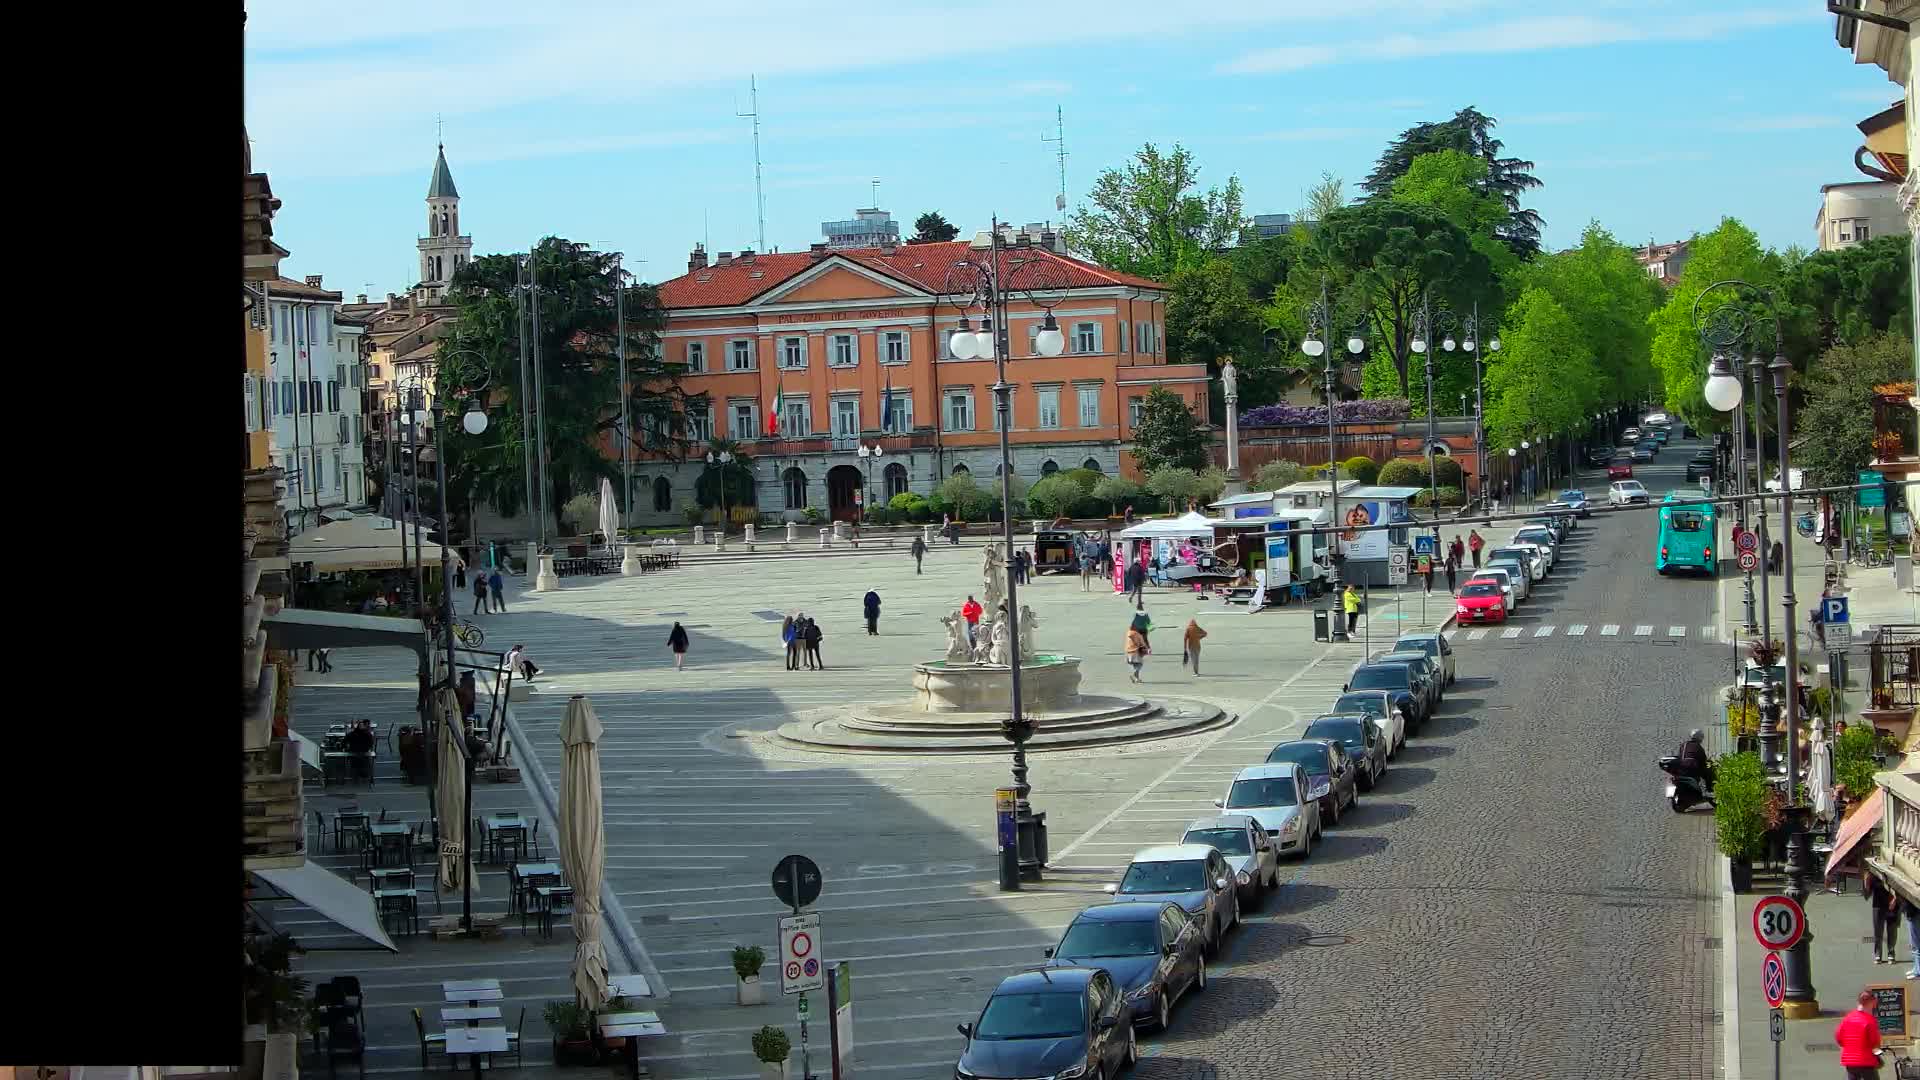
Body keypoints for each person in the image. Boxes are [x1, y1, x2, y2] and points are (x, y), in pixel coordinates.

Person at [1834, 988, 1883, 1078]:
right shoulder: (1869, 1020)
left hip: (1849, 1060)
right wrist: (1878, 1052)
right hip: (1866, 1060)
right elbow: (1874, 1042)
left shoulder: (1848, 1018)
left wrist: (1851, 1046)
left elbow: (1839, 1038)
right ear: (1873, 1002)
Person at [1869, 869, 1903, 964]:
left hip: (1892, 903)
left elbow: (1900, 885)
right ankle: (1878, 954)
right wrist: (1866, 881)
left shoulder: (1895, 868)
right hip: (1878, 903)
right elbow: (1868, 891)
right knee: (1878, 930)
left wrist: (1895, 899)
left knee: (1892, 931)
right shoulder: (1873, 869)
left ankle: (1891, 953)